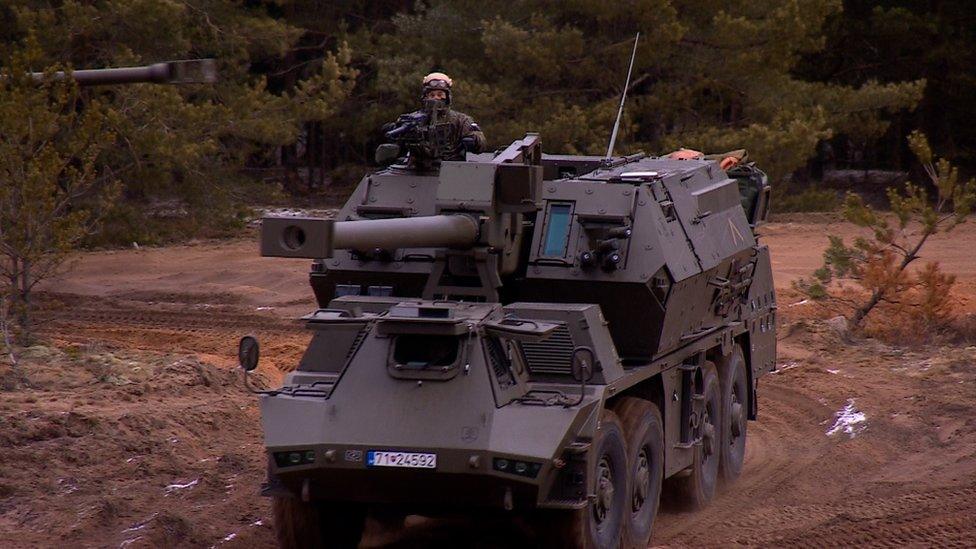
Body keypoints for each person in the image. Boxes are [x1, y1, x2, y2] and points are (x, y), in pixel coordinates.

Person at [385, 72, 486, 167]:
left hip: (451, 171)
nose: (436, 98)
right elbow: (397, 145)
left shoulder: (461, 120)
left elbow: (480, 142)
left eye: (440, 94)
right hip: (416, 170)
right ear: (425, 97)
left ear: (447, 97)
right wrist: (396, 130)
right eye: (432, 95)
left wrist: (474, 141)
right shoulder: (412, 119)